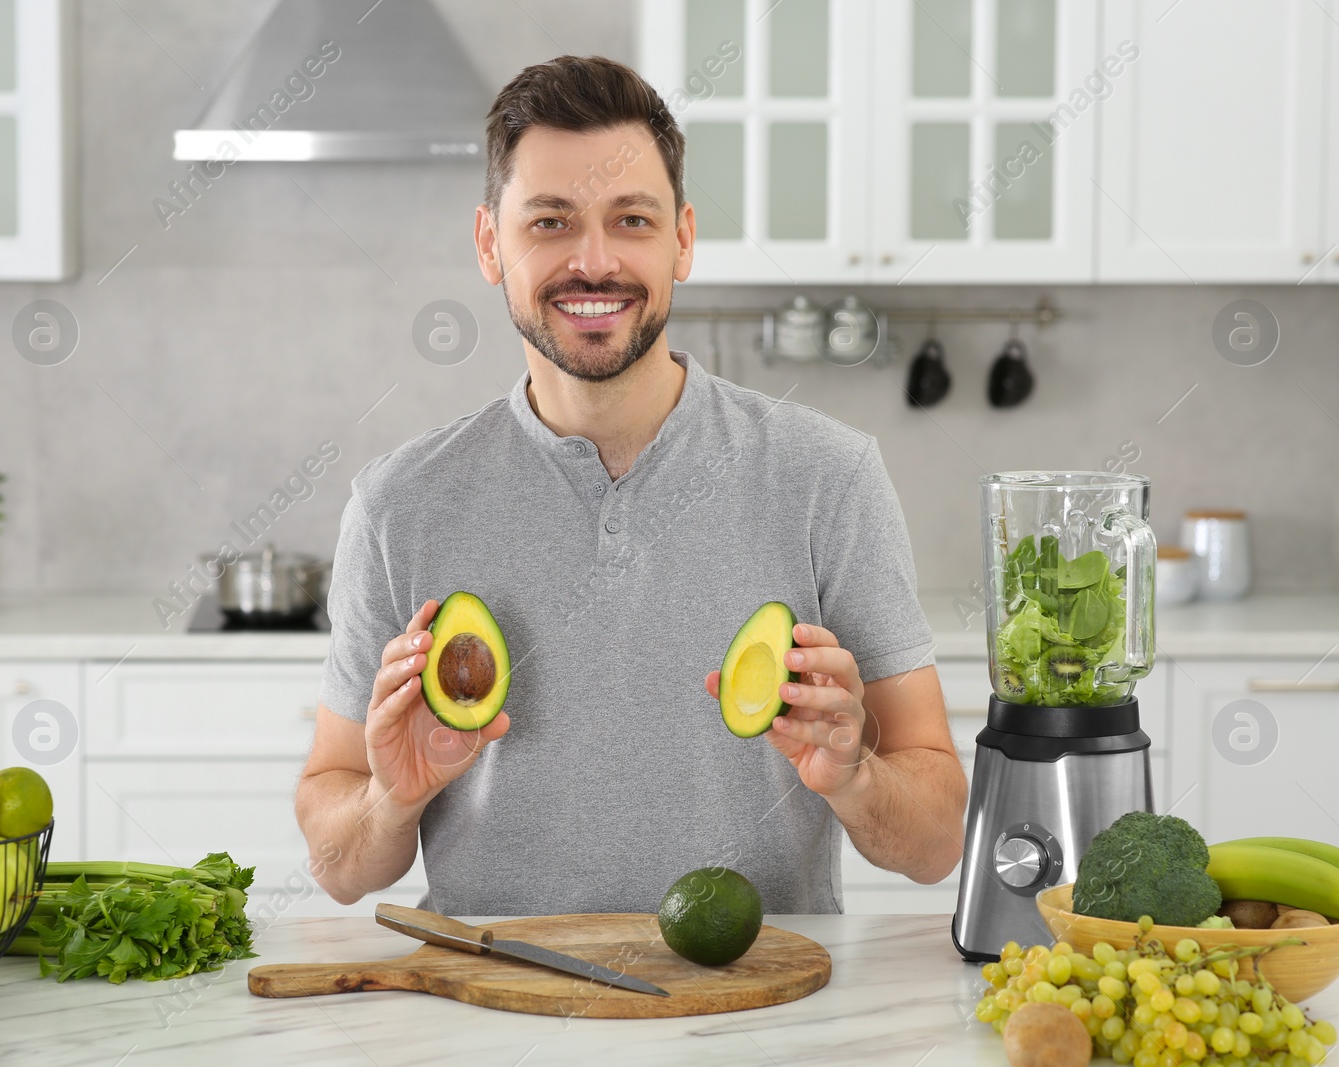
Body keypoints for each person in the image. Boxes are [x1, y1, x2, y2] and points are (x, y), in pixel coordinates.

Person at [297, 55, 966, 915]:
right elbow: (338, 865)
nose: (595, 261)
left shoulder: (828, 477)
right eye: (549, 222)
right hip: (487, 1013)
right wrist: (396, 796)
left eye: (632, 219)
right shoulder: (400, 503)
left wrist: (857, 778)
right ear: (487, 243)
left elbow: (938, 842)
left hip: (753, 1019)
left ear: (682, 239)